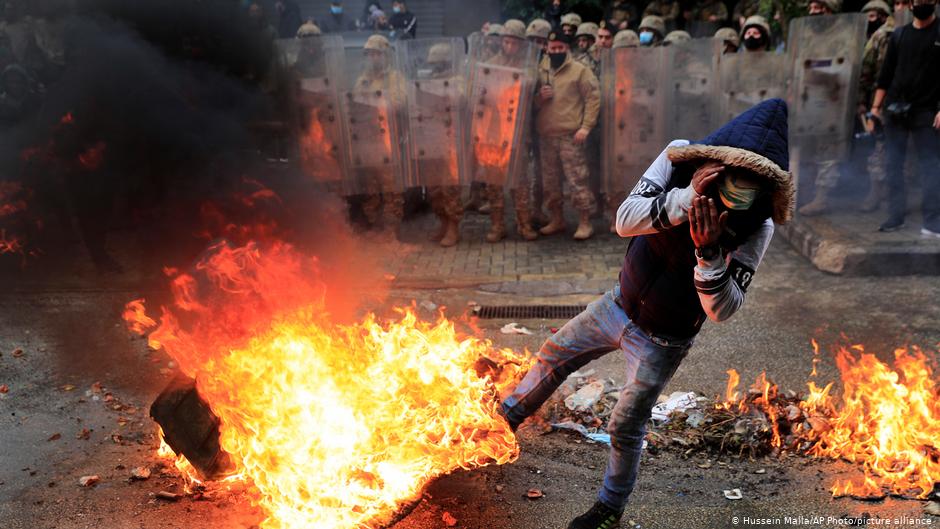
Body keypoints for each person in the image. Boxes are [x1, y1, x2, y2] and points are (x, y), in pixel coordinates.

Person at [500, 98, 792, 529]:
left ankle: (609, 510)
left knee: (625, 425)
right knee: (554, 354)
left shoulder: (758, 225)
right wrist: (687, 198)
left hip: (664, 339)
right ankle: (505, 420)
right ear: (716, 165)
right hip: (617, 302)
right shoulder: (676, 162)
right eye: (734, 181)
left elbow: (722, 310)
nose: (737, 197)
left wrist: (709, 253)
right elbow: (625, 220)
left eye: (751, 188)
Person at [870, 0, 940, 235]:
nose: (921, 3)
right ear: (911, 4)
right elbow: (886, 75)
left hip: (926, 111)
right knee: (893, 165)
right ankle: (895, 216)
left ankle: (932, 222)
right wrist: (875, 109)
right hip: (895, 109)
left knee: (931, 166)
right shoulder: (899, 35)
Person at [535, 31, 601, 240]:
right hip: (546, 136)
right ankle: (557, 219)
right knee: (551, 182)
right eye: (552, 48)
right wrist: (539, 98)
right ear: (547, 48)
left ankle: (584, 222)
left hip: (570, 137)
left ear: (567, 49)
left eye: (560, 48)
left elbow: (593, 98)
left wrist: (586, 127)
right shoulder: (540, 70)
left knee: (577, 181)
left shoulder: (580, 71)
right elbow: (528, 103)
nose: (555, 52)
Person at [481, 19, 540, 242]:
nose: (509, 46)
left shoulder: (529, 67)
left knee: (520, 182)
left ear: (522, 44)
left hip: (517, 134)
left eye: (514, 42)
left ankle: (523, 224)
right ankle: (497, 226)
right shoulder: (491, 64)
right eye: (506, 42)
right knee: (494, 184)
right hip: (493, 134)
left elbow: (530, 91)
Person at [354, 35, 407, 237]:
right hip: (367, 140)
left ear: (385, 56)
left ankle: (391, 229)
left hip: (388, 140)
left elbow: (400, 101)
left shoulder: (395, 78)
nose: (373, 58)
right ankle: (375, 225)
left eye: (376, 54)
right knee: (370, 186)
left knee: (391, 187)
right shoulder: (363, 80)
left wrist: (378, 101)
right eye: (369, 54)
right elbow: (355, 103)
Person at [797, 0, 846, 216]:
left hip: (831, 100)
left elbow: (843, 67)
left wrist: (816, 73)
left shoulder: (842, 37)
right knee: (806, 148)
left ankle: (822, 197)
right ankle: (804, 193)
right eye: (812, 7)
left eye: (820, 8)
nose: (814, 12)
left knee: (826, 150)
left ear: (830, 11)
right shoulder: (806, 36)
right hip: (806, 100)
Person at [423, 42, 465, 247]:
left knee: (450, 187)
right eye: (433, 64)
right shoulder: (428, 81)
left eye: (439, 64)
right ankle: (442, 222)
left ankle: (453, 227)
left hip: (450, 141)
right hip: (431, 139)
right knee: (434, 189)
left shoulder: (457, 80)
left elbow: (461, 100)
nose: (435, 68)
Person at [857, 0, 895, 212]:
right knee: (880, 147)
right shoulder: (871, 38)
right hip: (878, 100)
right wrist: (864, 102)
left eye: (873, 16)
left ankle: (888, 194)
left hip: (895, 98)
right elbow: (866, 72)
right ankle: (877, 192)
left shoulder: (884, 35)